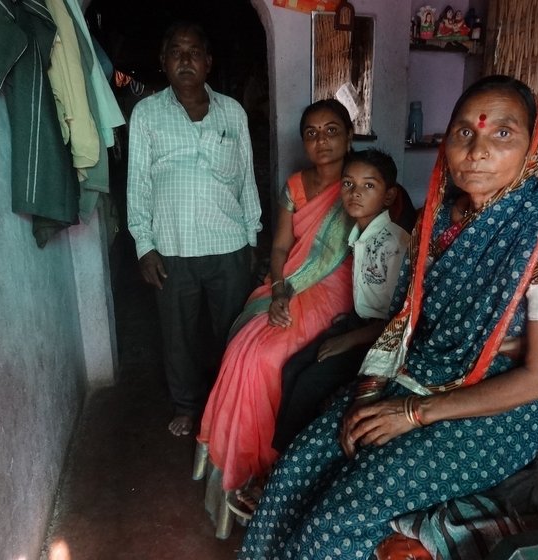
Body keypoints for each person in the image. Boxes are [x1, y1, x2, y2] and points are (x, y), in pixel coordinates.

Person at [239, 75, 538, 559]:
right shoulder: (437, 218)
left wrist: (412, 413)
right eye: (464, 133)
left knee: (340, 515)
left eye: (503, 134)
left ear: (534, 143)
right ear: (447, 140)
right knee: (295, 470)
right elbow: (405, 320)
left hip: (494, 410)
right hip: (416, 375)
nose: (478, 150)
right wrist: (367, 393)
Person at [196, 99, 355, 501]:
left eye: (332, 130)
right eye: (312, 133)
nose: (322, 140)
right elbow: (282, 248)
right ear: (303, 142)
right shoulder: (296, 187)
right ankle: (241, 461)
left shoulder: (360, 183)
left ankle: (268, 466)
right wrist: (281, 288)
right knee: (241, 349)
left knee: (267, 358)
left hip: (336, 287)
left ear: (350, 136)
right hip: (288, 282)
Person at [126, 22, 262, 437]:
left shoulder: (232, 112)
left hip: (228, 245)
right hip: (172, 247)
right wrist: (144, 246)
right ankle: (186, 405)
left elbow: (246, 181)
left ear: (208, 62)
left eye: (194, 51)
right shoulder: (147, 114)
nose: (185, 59)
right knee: (178, 334)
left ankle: (229, 401)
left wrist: (252, 238)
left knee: (232, 332)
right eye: (176, 52)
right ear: (163, 62)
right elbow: (138, 183)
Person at [271, 149, 410, 456]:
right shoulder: (359, 234)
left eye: (368, 186)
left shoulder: (394, 244)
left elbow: (402, 319)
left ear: (389, 196)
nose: (355, 193)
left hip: (382, 338)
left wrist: (350, 339)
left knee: (309, 383)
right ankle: (283, 454)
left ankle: (289, 463)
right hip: (358, 324)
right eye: (348, 184)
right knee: (292, 367)